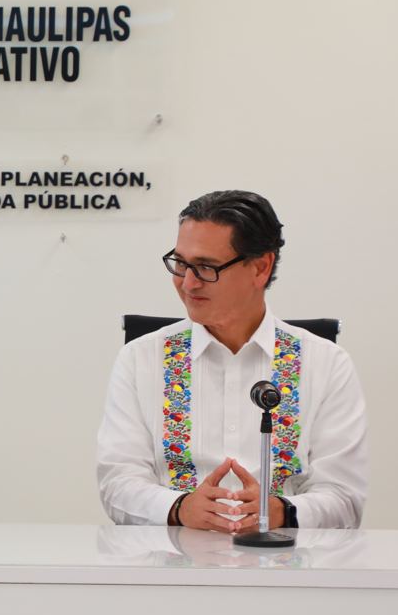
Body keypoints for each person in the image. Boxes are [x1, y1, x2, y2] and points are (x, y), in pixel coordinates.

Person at [96, 190, 367, 531]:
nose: (188, 283)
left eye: (206, 267)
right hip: (169, 559)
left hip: (289, 560)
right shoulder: (141, 358)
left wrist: (282, 512)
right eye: (180, 263)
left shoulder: (326, 363)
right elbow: (117, 482)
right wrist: (179, 508)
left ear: (260, 268)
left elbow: (345, 498)